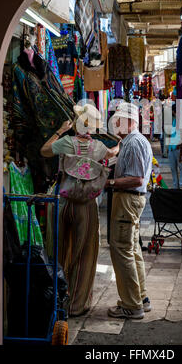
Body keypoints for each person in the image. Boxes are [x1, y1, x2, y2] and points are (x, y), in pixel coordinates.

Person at [41, 104, 120, 316]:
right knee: (85, 252)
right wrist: (119, 146)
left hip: (63, 202)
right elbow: (112, 153)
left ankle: (57, 300)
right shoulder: (99, 148)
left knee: (58, 249)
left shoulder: (66, 142)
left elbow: (44, 150)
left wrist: (60, 130)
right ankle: (76, 304)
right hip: (86, 206)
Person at [106, 102, 153, 320]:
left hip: (127, 201)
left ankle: (132, 305)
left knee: (121, 250)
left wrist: (110, 183)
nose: (116, 122)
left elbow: (136, 179)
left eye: (120, 119)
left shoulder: (133, 143)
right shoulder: (129, 141)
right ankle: (141, 297)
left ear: (131, 121)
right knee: (132, 249)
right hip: (129, 201)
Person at [167, 103, 182, 189]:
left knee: (181, 168)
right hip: (172, 148)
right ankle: (176, 187)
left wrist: (180, 145)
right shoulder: (175, 120)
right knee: (174, 168)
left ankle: (181, 186)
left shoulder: (181, 121)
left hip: (177, 147)